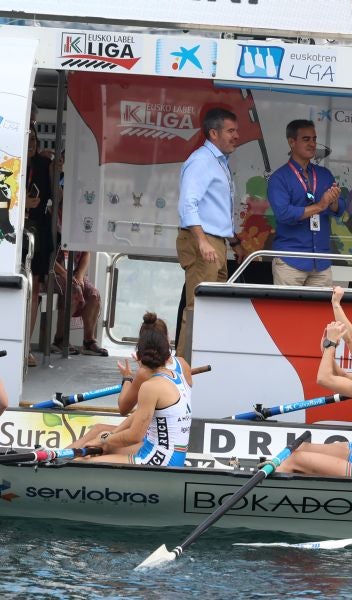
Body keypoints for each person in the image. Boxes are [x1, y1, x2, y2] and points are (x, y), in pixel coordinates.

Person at [276, 319, 352, 478]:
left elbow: (324, 379)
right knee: (299, 449)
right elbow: (342, 375)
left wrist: (331, 344)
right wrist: (327, 352)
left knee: (293, 460)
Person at [176, 107, 247, 357]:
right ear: (213, 133)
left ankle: (200, 363)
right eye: (231, 131)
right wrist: (202, 241)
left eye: (236, 131)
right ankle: (184, 368)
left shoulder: (218, 162)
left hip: (215, 241)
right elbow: (188, 204)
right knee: (197, 307)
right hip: (203, 241)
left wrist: (234, 241)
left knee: (212, 307)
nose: (236, 136)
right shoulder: (202, 161)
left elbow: (215, 210)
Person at [79, 313, 193, 467]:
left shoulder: (150, 386)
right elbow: (140, 417)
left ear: (139, 355)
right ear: (166, 349)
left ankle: (56, 463)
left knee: (81, 462)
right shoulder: (177, 374)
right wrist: (107, 438)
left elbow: (134, 434)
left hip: (159, 459)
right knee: (102, 440)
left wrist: (104, 439)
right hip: (172, 454)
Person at [268, 119, 345, 286]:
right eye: (306, 139)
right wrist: (320, 205)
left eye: (314, 139)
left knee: (322, 305)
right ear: (291, 142)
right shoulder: (279, 178)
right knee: (286, 305)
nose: (312, 144)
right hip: (290, 260)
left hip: (321, 261)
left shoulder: (324, 174)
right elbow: (283, 214)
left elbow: (340, 209)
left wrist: (333, 202)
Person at [23, 127, 55, 367]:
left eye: (34, 138)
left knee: (33, 289)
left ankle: (25, 347)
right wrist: (23, 203)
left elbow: (57, 196)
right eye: (28, 138)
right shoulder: (9, 161)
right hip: (12, 231)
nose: (32, 143)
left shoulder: (44, 165)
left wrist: (56, 169)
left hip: (38, 231)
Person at [51, 249, 107, 356]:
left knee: (94, 295)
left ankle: (89, 341)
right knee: (73, 291)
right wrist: (64, 274)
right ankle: (59, 339)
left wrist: (80, 275)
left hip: (74, 273)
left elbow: (86, 252)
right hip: (53, 273)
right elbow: (47, 257)